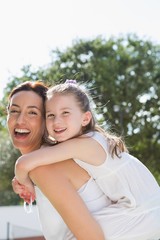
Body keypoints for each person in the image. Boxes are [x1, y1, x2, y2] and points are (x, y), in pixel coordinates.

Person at [15, 80, 160, 240]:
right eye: (51, 115)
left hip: (141, 212)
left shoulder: (84, 144)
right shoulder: (87, 141)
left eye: (65, 113)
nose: (57, 121)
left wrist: (24, 183)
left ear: (85, 119)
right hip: (144, 209)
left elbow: (23, 163)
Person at [7, 81, 106, 240]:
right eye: (14, 110)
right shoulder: (42, 164)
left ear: (47, 119)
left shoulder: (45, 168)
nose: (20, 120)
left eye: (32, 112)